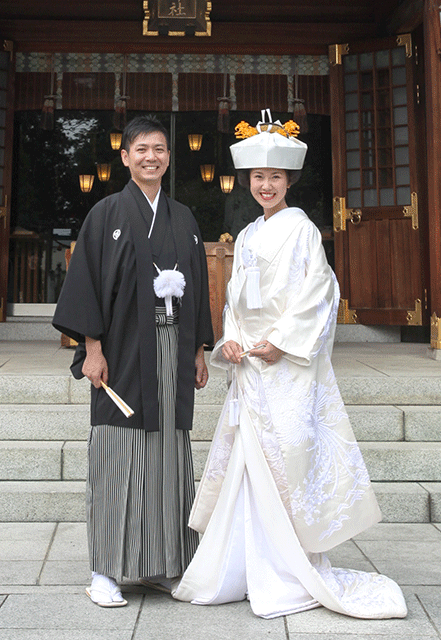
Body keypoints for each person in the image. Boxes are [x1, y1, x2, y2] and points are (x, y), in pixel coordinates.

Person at [172, 110, 407, 619]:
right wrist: (230, 340)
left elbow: (320, 294)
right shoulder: (249, 235)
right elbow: (235, 298)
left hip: (288, 367)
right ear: (248, 181)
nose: (266, 186)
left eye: (275, 177)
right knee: (250, 467)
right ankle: (242, 565)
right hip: (251, 368)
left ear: (289, 181)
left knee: (288, 467)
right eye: (258, 177)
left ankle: (289, 567)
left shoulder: (302, 232)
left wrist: (280, 342)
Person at [53, 114, 213, 607]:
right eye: (141, 149)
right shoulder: (105, 214)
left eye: (160, 149)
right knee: (117, 456)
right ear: (126, 157)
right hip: (120, 352)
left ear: (169, 157)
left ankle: (165, 565)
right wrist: (92, 349)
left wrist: (199, 349)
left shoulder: (183, 217)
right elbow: (86, 285)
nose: (151, 156)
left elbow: (200, 288)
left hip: (171, 355)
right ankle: (106, 569)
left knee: (167, 456)